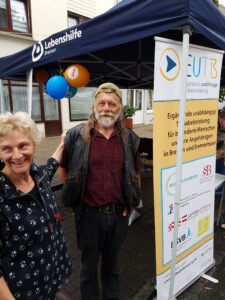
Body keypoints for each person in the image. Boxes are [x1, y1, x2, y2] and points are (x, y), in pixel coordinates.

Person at [58, 82, 142, 300]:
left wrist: (132, 203)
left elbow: (136, 174)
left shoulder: (130, 138)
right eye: (102, 103)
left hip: (118, 216)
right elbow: (63, 168)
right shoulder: (76, 135)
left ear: (120, 108)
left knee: (111, 268)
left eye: (112, 104)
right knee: (87, 270)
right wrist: (76, 196)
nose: (106, 108)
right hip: (88, 217)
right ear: (94, 105)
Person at [0, 112, 72, 300]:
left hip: (50, 275)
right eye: (7, 148)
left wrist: (63, 143)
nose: (16, 155)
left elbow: (51, 165)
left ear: (34, 144)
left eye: (23, 145)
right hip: (22, 291)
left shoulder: (38, 176)